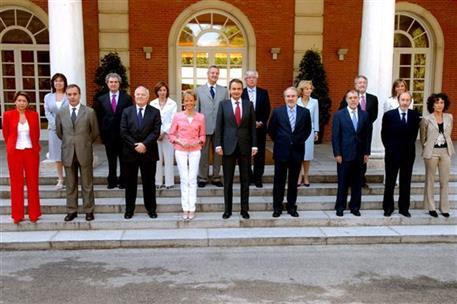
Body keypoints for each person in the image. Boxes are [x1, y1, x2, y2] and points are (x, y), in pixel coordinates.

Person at [56, 84, 99, 222]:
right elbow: (59, 132)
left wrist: (84, 142)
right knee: (70, 184)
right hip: (68, 152)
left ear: (79, 95)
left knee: (87, 183)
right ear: (66, 96)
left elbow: (95, 132)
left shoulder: (89, 112)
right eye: (69, 94)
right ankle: (71, 210)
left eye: (75, 94)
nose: (72, 97)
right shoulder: (61, 112)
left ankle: (89, 210)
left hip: (84, 151)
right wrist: (71, 142)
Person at [215, 79, 257, 219]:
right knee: (228, 180)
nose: (236, 91)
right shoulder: (223, 105)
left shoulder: (248, 104)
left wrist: (254, 145)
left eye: (239, 89)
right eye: (234, 89)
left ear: (242, 90)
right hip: (228, 147)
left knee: (245, 180)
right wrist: (218, 145)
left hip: (245, 147)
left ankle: (244, 210)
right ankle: (228, 210)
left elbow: (252, 127)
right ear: (230, 90)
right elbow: (219, 126)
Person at [268, 87, 312, 218]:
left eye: (293, 96)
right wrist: (282, 141)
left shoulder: (305, 112)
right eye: (288, 96)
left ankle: (291, 207)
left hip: (297, 152)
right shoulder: (277, 112)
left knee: (293, 181)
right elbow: (271, 130)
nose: (290, 98)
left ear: (297, 97)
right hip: (281, 151)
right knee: (279, 181)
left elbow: (307, 129)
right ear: (284, 97)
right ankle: (277, 207)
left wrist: (297, 141)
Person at [120, 86, 161, 219]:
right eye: (137, 94)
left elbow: (156, 131)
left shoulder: (155, 112)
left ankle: (151, 209)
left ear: (148, 97)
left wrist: (144, 144)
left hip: (148, 152)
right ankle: (129, 209)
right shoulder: (127, 112)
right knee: (130, 183)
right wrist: (135, 145)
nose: (140, 97)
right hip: (130, 153)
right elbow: (123, 131)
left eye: (143, 95)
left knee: (149, 183)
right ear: (134, 96)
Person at [3, 92, 41, 224]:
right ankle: (17, 215)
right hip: (15, 153)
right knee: (16, 184)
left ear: (28, 103)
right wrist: (10, 148)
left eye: (24, 101)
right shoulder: (8, 115)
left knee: (32, 183)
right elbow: (6, 134)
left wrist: (35, 149)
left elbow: (36, 134)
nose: (21, 103)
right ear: (15, 102)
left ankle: (34, 213)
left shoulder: (34, 115)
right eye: (19, 100)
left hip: (30, 152)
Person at [332, 90, 371, 217]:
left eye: (355, 97)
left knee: (357, 182)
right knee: (343, 182)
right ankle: (340, 206)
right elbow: (335, 136)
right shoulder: (339, 115)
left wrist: (367, 152)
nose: (353, 100)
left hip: (360, 155)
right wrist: (337, 153)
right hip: (344, 154)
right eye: (351, 98)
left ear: (359, 99)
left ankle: (355, 207)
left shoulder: (364, 115)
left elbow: (367, 135)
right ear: (346, 100)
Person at [381, 91, 420, 217]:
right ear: (398, 100)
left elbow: (414, 135)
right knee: (390, 182)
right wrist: (390, 148)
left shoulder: (415, 115)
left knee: (405, 182)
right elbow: (384, 135)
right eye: (403, 100)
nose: (405, 102)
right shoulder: (389, 115)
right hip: (392, 154)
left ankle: (404, 208)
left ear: (410, 101)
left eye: (407, 100)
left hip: (408, 154)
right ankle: (388, 207)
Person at [168, 90, 206, 220]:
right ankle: (185, 208)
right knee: (184, 179)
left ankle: (192, 207)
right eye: (186, 100)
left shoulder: (200, 117)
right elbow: (171, 134)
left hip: (195, 150)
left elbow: (202, 135)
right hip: (181, 150)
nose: (189, 102)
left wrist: (198, 141)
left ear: (194, 101)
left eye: (191, 100)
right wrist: (179, 141)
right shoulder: (178, 116)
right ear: (183, 102)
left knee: (192, 179)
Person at [94, 72, 132, 189]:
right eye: (111, 82)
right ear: (107, 83)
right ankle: (112, 180)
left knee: (123, 159)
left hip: (123, 134)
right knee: (111, 159)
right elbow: (98, 117)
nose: (113, 84)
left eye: (116, 82)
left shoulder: (127, 98)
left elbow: (130, 117)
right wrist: (101, 133)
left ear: (119, 83)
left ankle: (123, 181)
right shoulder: (101, 99)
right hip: (108, 134)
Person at [339, 75, 378, 188]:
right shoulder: (349, 97)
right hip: (351, 132)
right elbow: (342, 112)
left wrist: (363, 124)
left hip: (365, 132)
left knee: (364, 155)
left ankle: (361, 178)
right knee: (350, 155)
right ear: (355, 85)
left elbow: (374, 115)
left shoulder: (373, 98)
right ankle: (349, 179)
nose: (362, 85)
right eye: (359, 83)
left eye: (364, 83)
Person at [420, 93, 454, 217]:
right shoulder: (426, 119)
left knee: (444, 180)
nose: (439, 105)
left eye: (442, 102)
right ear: (432, 105)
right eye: (437, 103)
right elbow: (423, 137)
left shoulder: (449, 117)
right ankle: (431, 207)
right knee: (430, 180)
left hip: (446, 152)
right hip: (431, 153)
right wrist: (427, 147)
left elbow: (449, 134)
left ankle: (444, 208)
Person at [196, 65, 228, 188]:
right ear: (207, 74)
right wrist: (197, 128)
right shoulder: (199, 90)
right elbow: (197, 110)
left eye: (216, 73)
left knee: (218, 154)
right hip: (204, 127)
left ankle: (216, 177)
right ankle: (202, 177)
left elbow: (226, 109)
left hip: (219, 128)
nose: (214, 75)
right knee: (203, 154)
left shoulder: (224, 91)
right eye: (212, 73)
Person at [241, 70, 270, 188]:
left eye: (253, 77)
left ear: (257, 79)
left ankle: (258, 178)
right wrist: (249, 123)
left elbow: (267, 109)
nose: (251, 79)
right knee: (246, 154)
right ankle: (247, 178)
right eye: (249, 77)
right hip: (245, 129)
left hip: (260, 129)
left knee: (260, 154)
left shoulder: (264, 92)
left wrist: (261, 122)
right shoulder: (241, 93)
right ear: (245, 79)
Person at [150, 81, 177, 190]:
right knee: (157, 159)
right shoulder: (152, 103)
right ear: (157, 92)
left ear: (167, 91)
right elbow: (151, 120)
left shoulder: (173, 103)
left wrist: (164, 131)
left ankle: (169, 182)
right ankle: (158, 182)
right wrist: (157, 132)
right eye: (160, 90)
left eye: (164, 90)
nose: (162, 92)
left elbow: (173, 120)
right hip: (155, 136)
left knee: (169, 158)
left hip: (168, 135)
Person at [44, 73, 68, 189]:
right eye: (56, 81)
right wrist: (55, 125)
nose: (58, 83)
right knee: (57, 156)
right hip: (53, 130)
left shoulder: (69, 95)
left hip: (68, 129)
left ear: (64, 83)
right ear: (53, 83)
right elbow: (47, 112)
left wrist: (65, 125)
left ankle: (71, 178)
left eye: (61, 80)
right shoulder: (48, 97)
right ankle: (60, 179)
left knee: (68, 154)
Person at [296, 80, 319, 187]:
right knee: (299, 154)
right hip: (298, 131)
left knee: (307, 155)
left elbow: (316, 117)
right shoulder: (296, 100)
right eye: (306, 88)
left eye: (310, 88)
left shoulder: (315, 102)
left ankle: (306, 176)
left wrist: (316, 131)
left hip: (310, 131)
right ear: (302, 90)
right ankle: (299, 176)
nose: (309, 90)